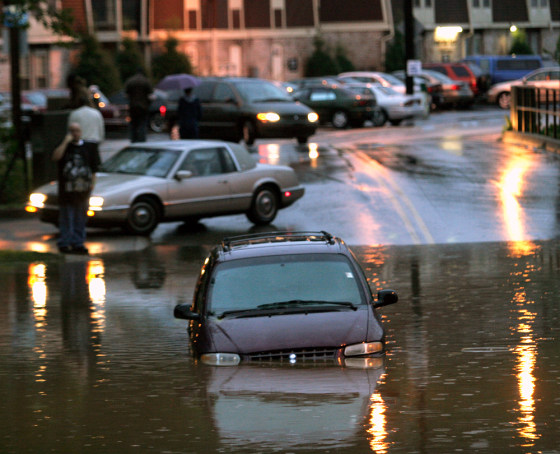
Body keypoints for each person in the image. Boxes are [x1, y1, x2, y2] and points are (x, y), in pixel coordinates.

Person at [52, 122, 101, 255]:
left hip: (82, 191)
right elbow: (56, 157)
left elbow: (94, 168)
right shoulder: (64, 147)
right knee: (67, 217)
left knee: (80, 218)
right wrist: (65, 142)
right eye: (72, 131)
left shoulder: (88, 147)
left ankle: (78, 242)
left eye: (77, 131)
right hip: (67, 191)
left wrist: (92, 184)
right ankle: (65, 242)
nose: (75, 134)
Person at [124, 68, 153, 142]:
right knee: (142, 125)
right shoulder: (146, 81)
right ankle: (141, 140)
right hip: (143, 107)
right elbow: (151, 96)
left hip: (133, 106)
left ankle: (133, 140)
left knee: (133, 125)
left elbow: (126, 95)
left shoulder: (130, 81)